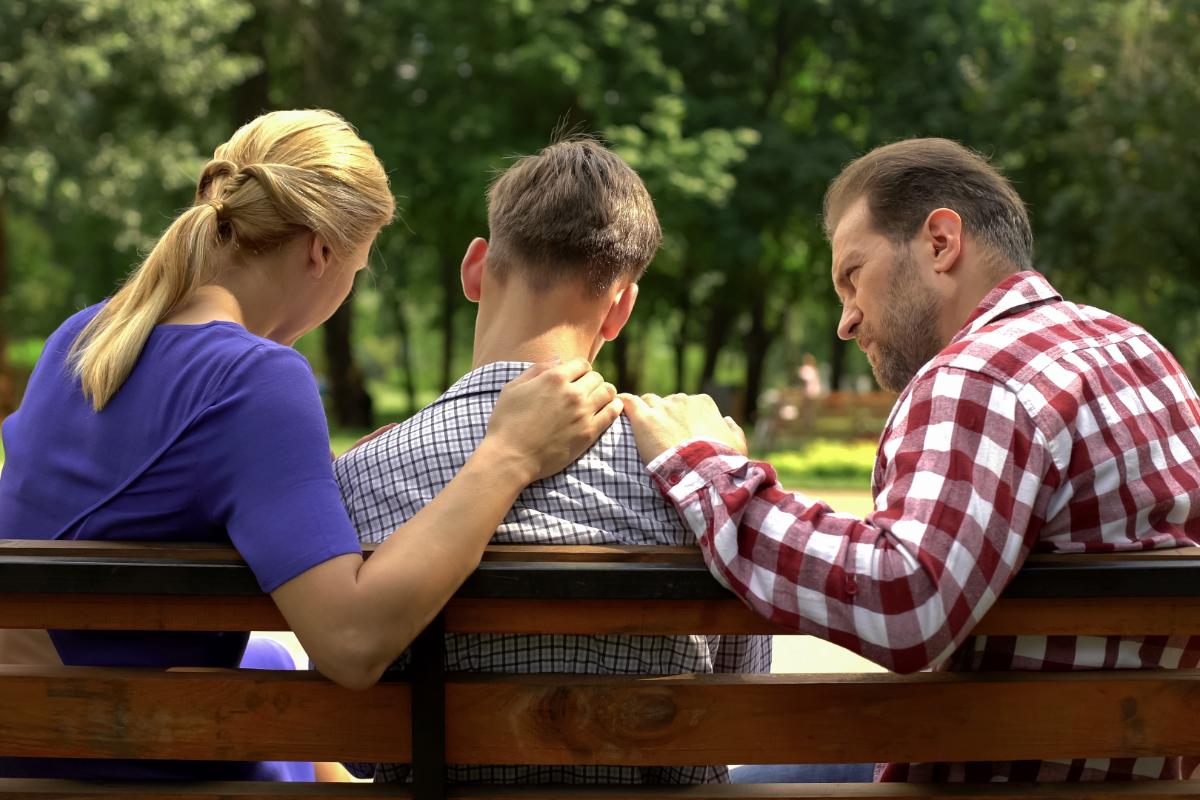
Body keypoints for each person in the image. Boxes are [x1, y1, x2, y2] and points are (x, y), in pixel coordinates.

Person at [0, 110, 622, 782]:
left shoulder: (85, 336)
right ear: (321, 253)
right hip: (106, 747)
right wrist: (510, 453)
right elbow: (351, 643)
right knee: (294, 709)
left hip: (31, 717)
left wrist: (313, 472)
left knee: (270, 668)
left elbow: (146, 479)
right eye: (355, 270)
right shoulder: (255, 377)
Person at [621, 137, 1200, 783]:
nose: (845, 319)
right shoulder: (1140, 352)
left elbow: (905, 599)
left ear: (940, 242)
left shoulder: (980, 374)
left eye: (853, 275)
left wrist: (704, 466)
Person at [334, 137, 771, 785]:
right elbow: (738, 709)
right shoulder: (697, 476)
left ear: (475, 268)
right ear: (621, 307)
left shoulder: (364, 474)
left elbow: (361, 748)